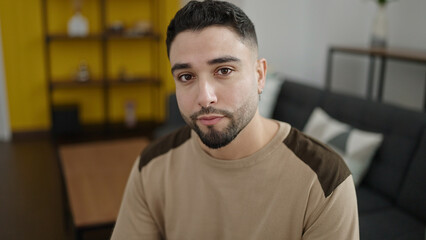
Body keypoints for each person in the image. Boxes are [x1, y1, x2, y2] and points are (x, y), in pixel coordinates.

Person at [111, 0, 359, 239]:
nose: (205, 97)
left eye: (224, 71)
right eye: (186, 76)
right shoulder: (151, 166)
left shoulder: (324, 181)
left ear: (260, 75)